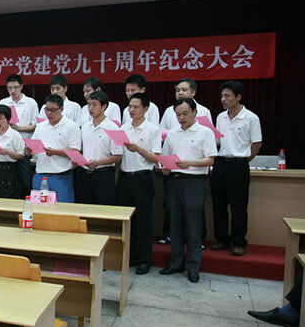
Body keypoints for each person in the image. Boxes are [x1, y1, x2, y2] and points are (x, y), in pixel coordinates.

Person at [160, 98, 217, 283]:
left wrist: (190, 163)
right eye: (178, 114)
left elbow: (210, 159)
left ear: (194, 112)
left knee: (194, 226)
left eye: (185, 114)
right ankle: (175, 263)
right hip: (174, 181)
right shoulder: (172, 134)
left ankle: (193, 266)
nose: (181, 118)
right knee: (175, 224)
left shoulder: (205, 132)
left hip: (194, 181)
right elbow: (165, 157)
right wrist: (165, 168)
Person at [210, 81, 262, 256]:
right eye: (222, 96)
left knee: (238, 206)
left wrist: (244, 160)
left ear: (238, 97)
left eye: (227, 96)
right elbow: (219, 141)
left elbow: (257, 144)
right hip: (220, 163)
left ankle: (239, 242)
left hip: (239, 164)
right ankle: (221, 239)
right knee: (218, 205)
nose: (223, 99)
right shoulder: (220, 117)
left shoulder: (251, 118)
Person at [118, 93, 161, 275]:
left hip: (143, 177)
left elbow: (156, 158)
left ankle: (145, 260)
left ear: (145, 109)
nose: (132, 110)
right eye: (130, 106)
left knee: (144, 220)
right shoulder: (123, 128)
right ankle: (129, 256)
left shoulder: (152, 129)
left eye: (136, 107)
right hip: (125, 177)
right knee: (127, 221)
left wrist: (139, 149)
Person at [28, 94, 80, 203]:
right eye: (47, 109)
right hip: (40, 174)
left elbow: (75, 151)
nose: (49, 113)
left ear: (62, 109)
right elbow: (33, 146)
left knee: (63, 209)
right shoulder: (41, 126)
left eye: (53, 110)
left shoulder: (71, 126)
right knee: (38, 208)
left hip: (60, 176)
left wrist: (56, 152)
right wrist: (29, 150)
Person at [75, 91, 122, 205]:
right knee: (84, 207)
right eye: (89, 105)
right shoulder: (85, 127)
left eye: (94, 104)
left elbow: (118, 156)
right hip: (84, 173)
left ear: (104, 106)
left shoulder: (114, 128)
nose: (91, 108)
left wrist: (99, 162)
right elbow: (80, 149)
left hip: (103, 174)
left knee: (104, 207)